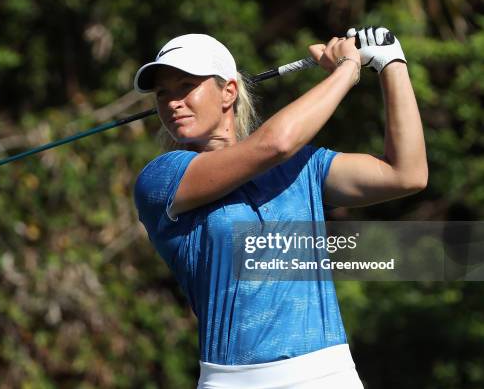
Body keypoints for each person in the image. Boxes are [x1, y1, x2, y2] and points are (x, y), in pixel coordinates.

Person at [132, 28, 427, 388]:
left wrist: (391, 62)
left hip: (326, 374)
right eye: (163, 93)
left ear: (228, 91)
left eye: (185, 86)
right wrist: (347, 70)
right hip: (232, 381)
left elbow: (406, 173)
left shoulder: (301, 168)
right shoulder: (161, 180)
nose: (172, 102)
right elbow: (275, 144)